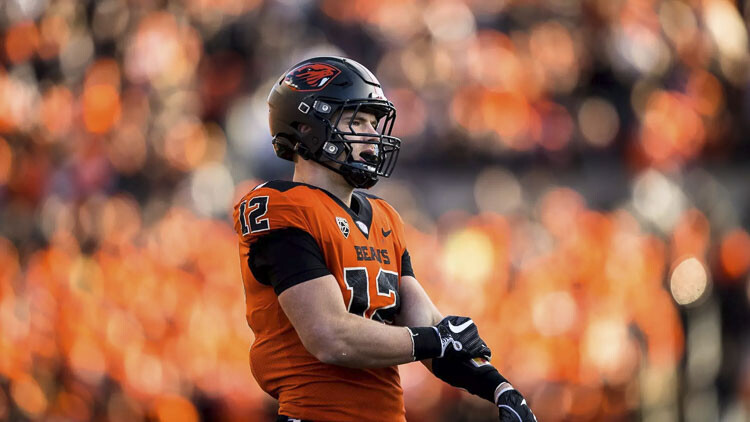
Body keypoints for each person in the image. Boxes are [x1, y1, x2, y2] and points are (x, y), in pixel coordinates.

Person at [233, 56, 536, 422]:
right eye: (357, 121)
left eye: (374, 124)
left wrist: (500, 388)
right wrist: (436, 340)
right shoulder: (283, 207)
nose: (372, 135)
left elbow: (428, 324)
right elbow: (330, 336)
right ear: (309, 127)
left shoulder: (384, 218)